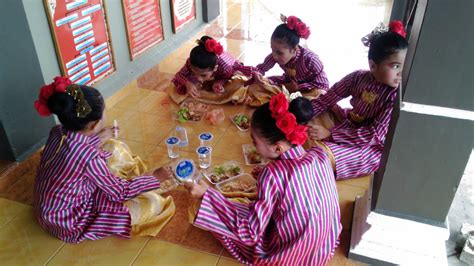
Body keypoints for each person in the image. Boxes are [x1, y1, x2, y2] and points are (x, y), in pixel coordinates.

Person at [185, 93, 341, 265]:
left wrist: (207, 194)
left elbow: (250, 233)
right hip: (321, 246)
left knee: (214, 213)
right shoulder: (320, 154)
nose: (253, 147)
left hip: (291, 256)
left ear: (277, 148)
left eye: (255, 142)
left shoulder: (273, 173)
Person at [33, 77, 174, 243]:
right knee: (153, 203)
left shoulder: (57, 131)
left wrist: (99, 137)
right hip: (68, 220)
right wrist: (155, 178)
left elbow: (75, 149)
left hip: (48, 208)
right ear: (94, 124)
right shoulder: (89, 158)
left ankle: (140, 182)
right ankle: (146, 182)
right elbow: (119, 193)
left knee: (113, 146)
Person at [308, 21, 409, 180]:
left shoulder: (394, 97)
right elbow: (329, 97)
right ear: (373, 65)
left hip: (370, 147)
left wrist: (331, 134)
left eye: (405, 65)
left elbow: (373, 136)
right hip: (349, 124)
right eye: (395, 66)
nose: (401, 72)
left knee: (322, 155)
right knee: (312, 100)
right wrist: (300, 114)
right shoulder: (357, 78)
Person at [247, 15, 329, 106]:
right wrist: (256, 75)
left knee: (315, 97)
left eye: (279, 53)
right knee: (261, 84)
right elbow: (262, 68)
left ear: (294, 49)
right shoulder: (275, 55)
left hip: (311, 88)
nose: (274, 55)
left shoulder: (311, 60)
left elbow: (323, 85)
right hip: (291, 83)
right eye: (272, 50)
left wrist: (298, 88)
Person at [169, 36, 256, 105]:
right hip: (211, 74)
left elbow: (226, 77)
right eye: (195, 73)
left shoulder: (225, 68)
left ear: (215, 68)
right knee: (178, 86)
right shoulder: (190, 62)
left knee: (238, 84)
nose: (199, 78)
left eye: (203, 75)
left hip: (226, 73)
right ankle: (208, 90)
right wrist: (188, 84)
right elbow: (179, 75)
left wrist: (218, 83)